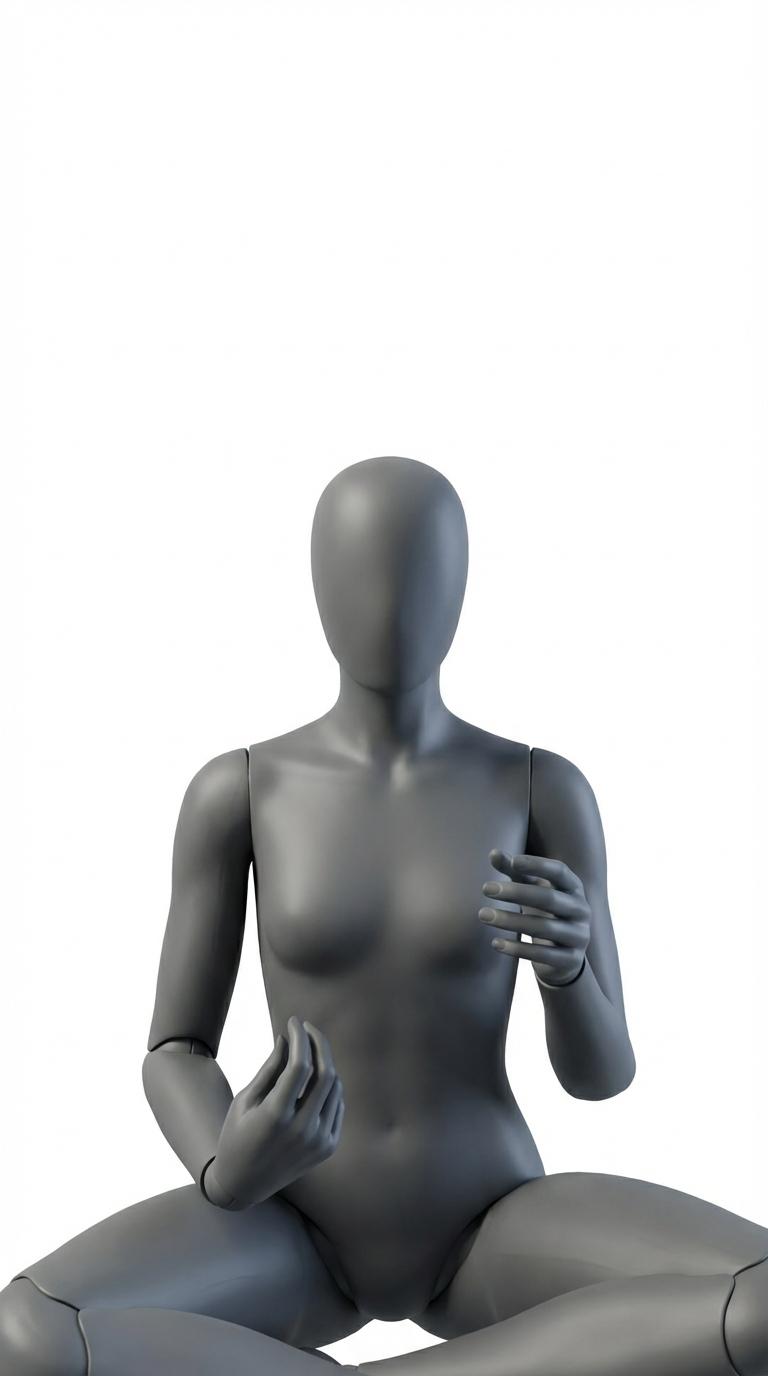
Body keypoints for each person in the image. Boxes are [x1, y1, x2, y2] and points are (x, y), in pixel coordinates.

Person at [1, 456, 766, 1376]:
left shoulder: (537, 787)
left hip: (491, 1220)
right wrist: (224, 1164)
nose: (390, 604)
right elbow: (176, 1048)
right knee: (29, 1331)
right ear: (317, 585)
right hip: (288, 1220)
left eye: (421, 573)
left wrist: (569, 976)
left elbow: (600, 1077)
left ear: (463, 586)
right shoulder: (242, 790)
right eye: (360, 572)